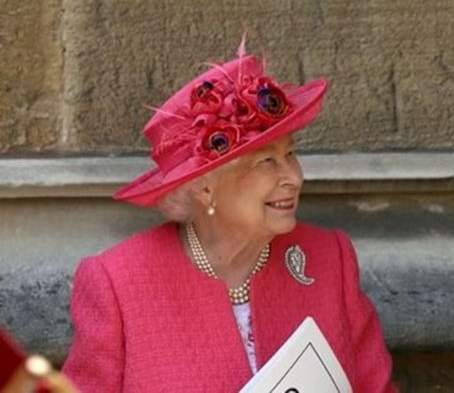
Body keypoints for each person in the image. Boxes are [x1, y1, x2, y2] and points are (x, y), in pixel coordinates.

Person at [63, 40, 397, 392]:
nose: (294, 178)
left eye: (291, 154)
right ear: (205, 188)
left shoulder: (329, 259)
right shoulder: (118, 284)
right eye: (267, 161)